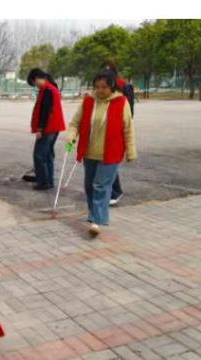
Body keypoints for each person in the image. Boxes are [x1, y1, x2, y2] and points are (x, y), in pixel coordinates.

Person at [64, 69, 136, 237]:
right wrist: (71, 137)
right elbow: (75, 123)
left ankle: (97, 221)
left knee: (101, 186)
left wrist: (131, 151)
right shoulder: (88, 101)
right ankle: (93, 215)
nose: (100, 90)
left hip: (111, 154)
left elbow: (128, 129)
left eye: (104, 87)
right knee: (89, 186)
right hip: (90, 153)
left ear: (112, 86)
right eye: (97, 87)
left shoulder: (121, 102)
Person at [25, 68, 66, 192]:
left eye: (34, 83)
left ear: (36, 78)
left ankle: (43, 182)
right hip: (54, 127)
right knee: (48, 155)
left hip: (48, 128)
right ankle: (49, 181)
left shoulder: (47, 90)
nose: (35, 86)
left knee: (39, 155)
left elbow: (45, 111)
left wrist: (40, 129)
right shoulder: (51, 88)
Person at [101, 63, 135, 205]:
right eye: (104, 71)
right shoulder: (102, 88)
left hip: (116, 131)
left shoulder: (124, 87)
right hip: (102, 130)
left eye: (109, 71)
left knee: (110, 162)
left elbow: (129, 112)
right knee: (104, 162)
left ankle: (115, 191)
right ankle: (109, 191)